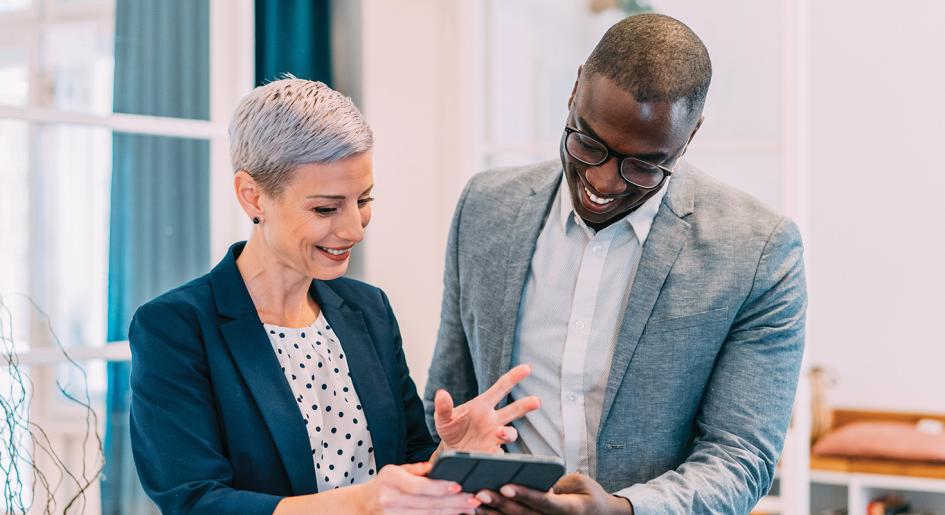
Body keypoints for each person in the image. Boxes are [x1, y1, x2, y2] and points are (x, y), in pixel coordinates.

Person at [424, 13, 806, 515]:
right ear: (575, 89)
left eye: (644, 166)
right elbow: (446, 406)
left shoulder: (759, 251)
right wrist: (449, 452)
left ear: (690, 137)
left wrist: (623, 510)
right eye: (587, 143)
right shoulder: (484, 208)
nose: (604, 182)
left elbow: (740, 458)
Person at [128, 78, 540, 515]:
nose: (354, 229)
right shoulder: (175, 328)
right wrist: (364, 503)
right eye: (326, 208)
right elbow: (196, 502)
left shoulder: (369, 310)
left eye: (363, 199)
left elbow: (404, 468)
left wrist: (450, 459)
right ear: (252, 196)